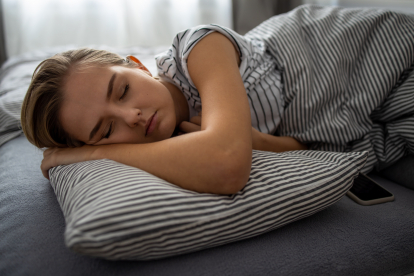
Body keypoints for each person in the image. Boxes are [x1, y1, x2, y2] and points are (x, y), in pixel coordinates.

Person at [21, 5, 414, 194]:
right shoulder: (174, 144)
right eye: (107, 130)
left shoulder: (198, 48)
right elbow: (302, 147)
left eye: (122, 90)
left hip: (371, 54)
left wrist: (95, 154)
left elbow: (228, 168)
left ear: (139, 66)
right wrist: (257, 144)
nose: (133, 116)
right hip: (359, 114)